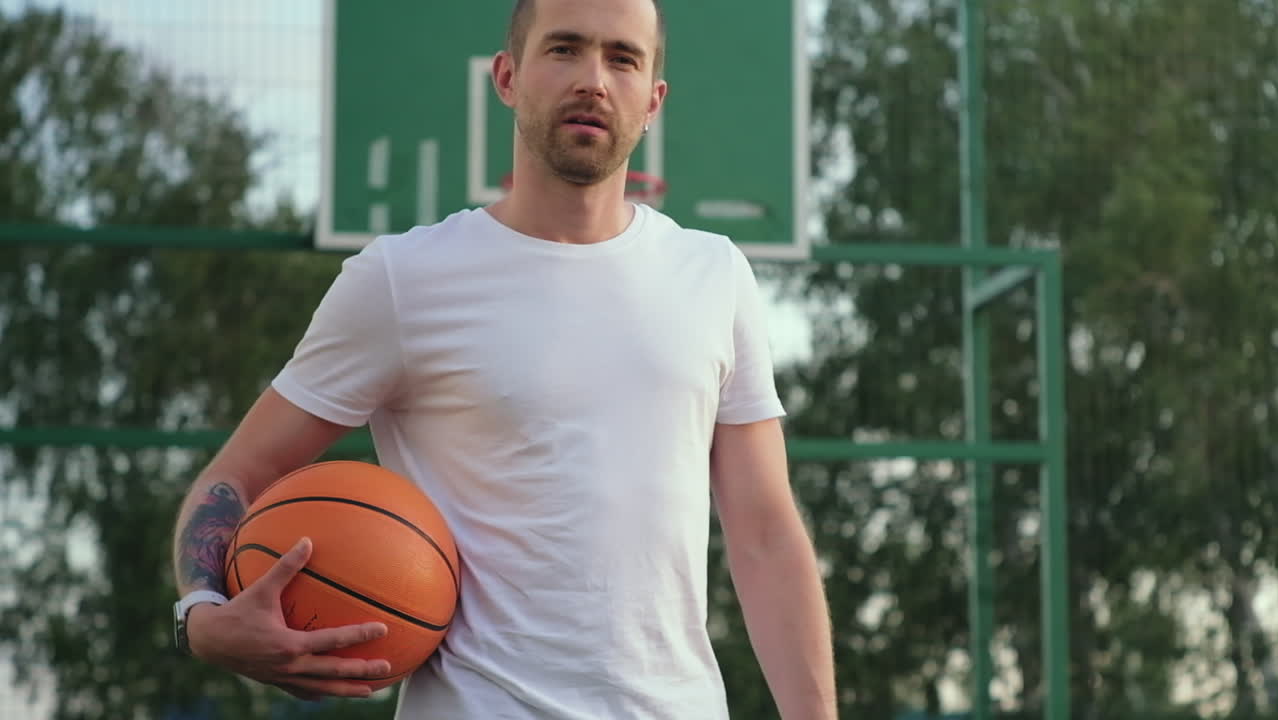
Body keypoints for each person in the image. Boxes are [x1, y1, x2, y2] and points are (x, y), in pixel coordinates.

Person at [169, 0, 836, 717]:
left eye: (622, 58)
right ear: (507, 77)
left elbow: (765, 533)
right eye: (564, 49)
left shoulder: (715, 274)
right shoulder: (402, 278)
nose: (593, 79)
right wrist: (202, 614)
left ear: (653, 101)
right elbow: (240, 473)